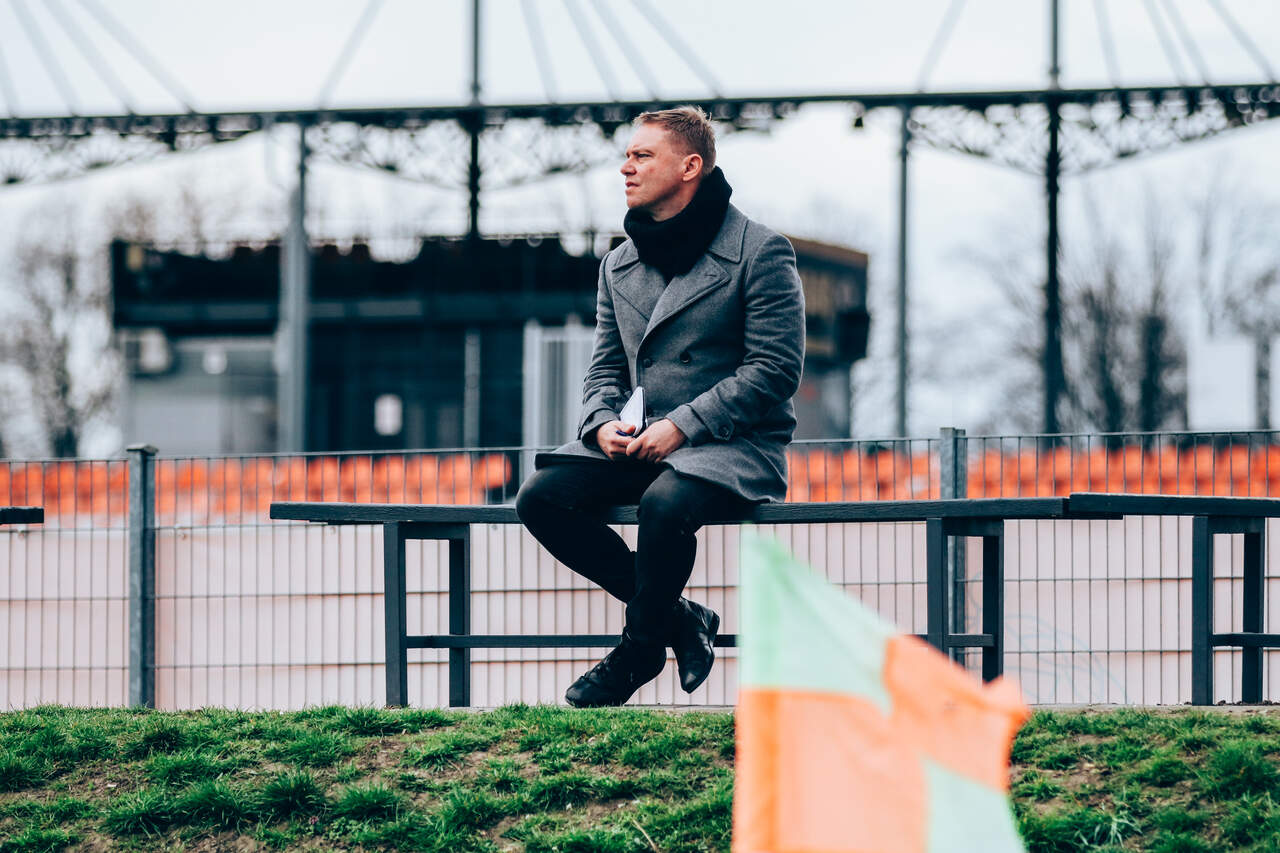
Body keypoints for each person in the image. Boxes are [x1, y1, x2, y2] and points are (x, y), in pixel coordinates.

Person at [515, 105, 805, 708]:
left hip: (731, 443)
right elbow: (605, 369)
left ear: (690, 167)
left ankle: (641, 648)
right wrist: (601, 425)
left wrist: (684, 425)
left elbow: (774, 370)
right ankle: (680, 618)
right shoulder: (618, 264)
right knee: (540, 496)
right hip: (641, 441)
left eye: (642, 156)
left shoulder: (760, 251)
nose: (626, 167)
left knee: (666, 502)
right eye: (627, 155)